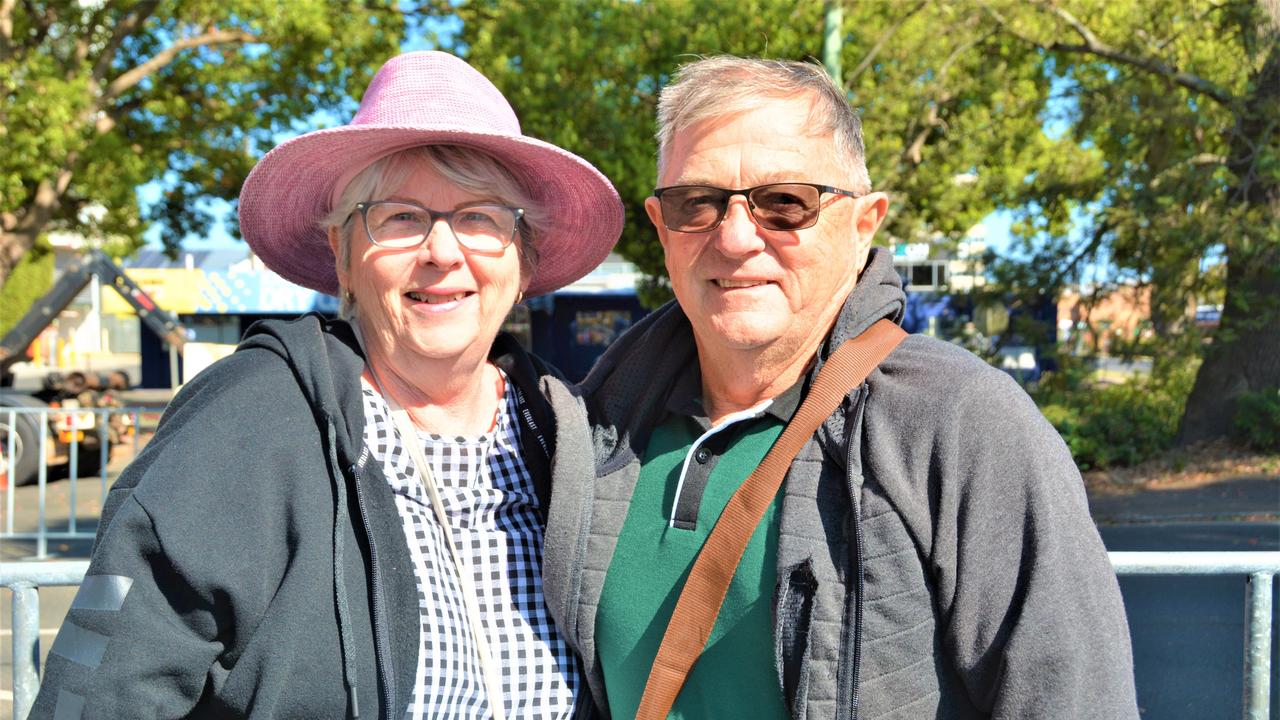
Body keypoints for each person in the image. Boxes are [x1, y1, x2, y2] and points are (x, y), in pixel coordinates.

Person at [539, 56, 1139, 719]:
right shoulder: (594, 427)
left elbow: (1075, 700)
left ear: (864, 224)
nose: (736, 238)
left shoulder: (961, 423)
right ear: (661, 227)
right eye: (698, 203)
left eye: (785, 203)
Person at [32, 51, 621, 720]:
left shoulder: (576, 439)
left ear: (523, 261)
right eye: (399, 217)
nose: (441, 251)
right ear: (342, 258)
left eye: (481, 218)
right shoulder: (254, 421)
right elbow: (101, 691)